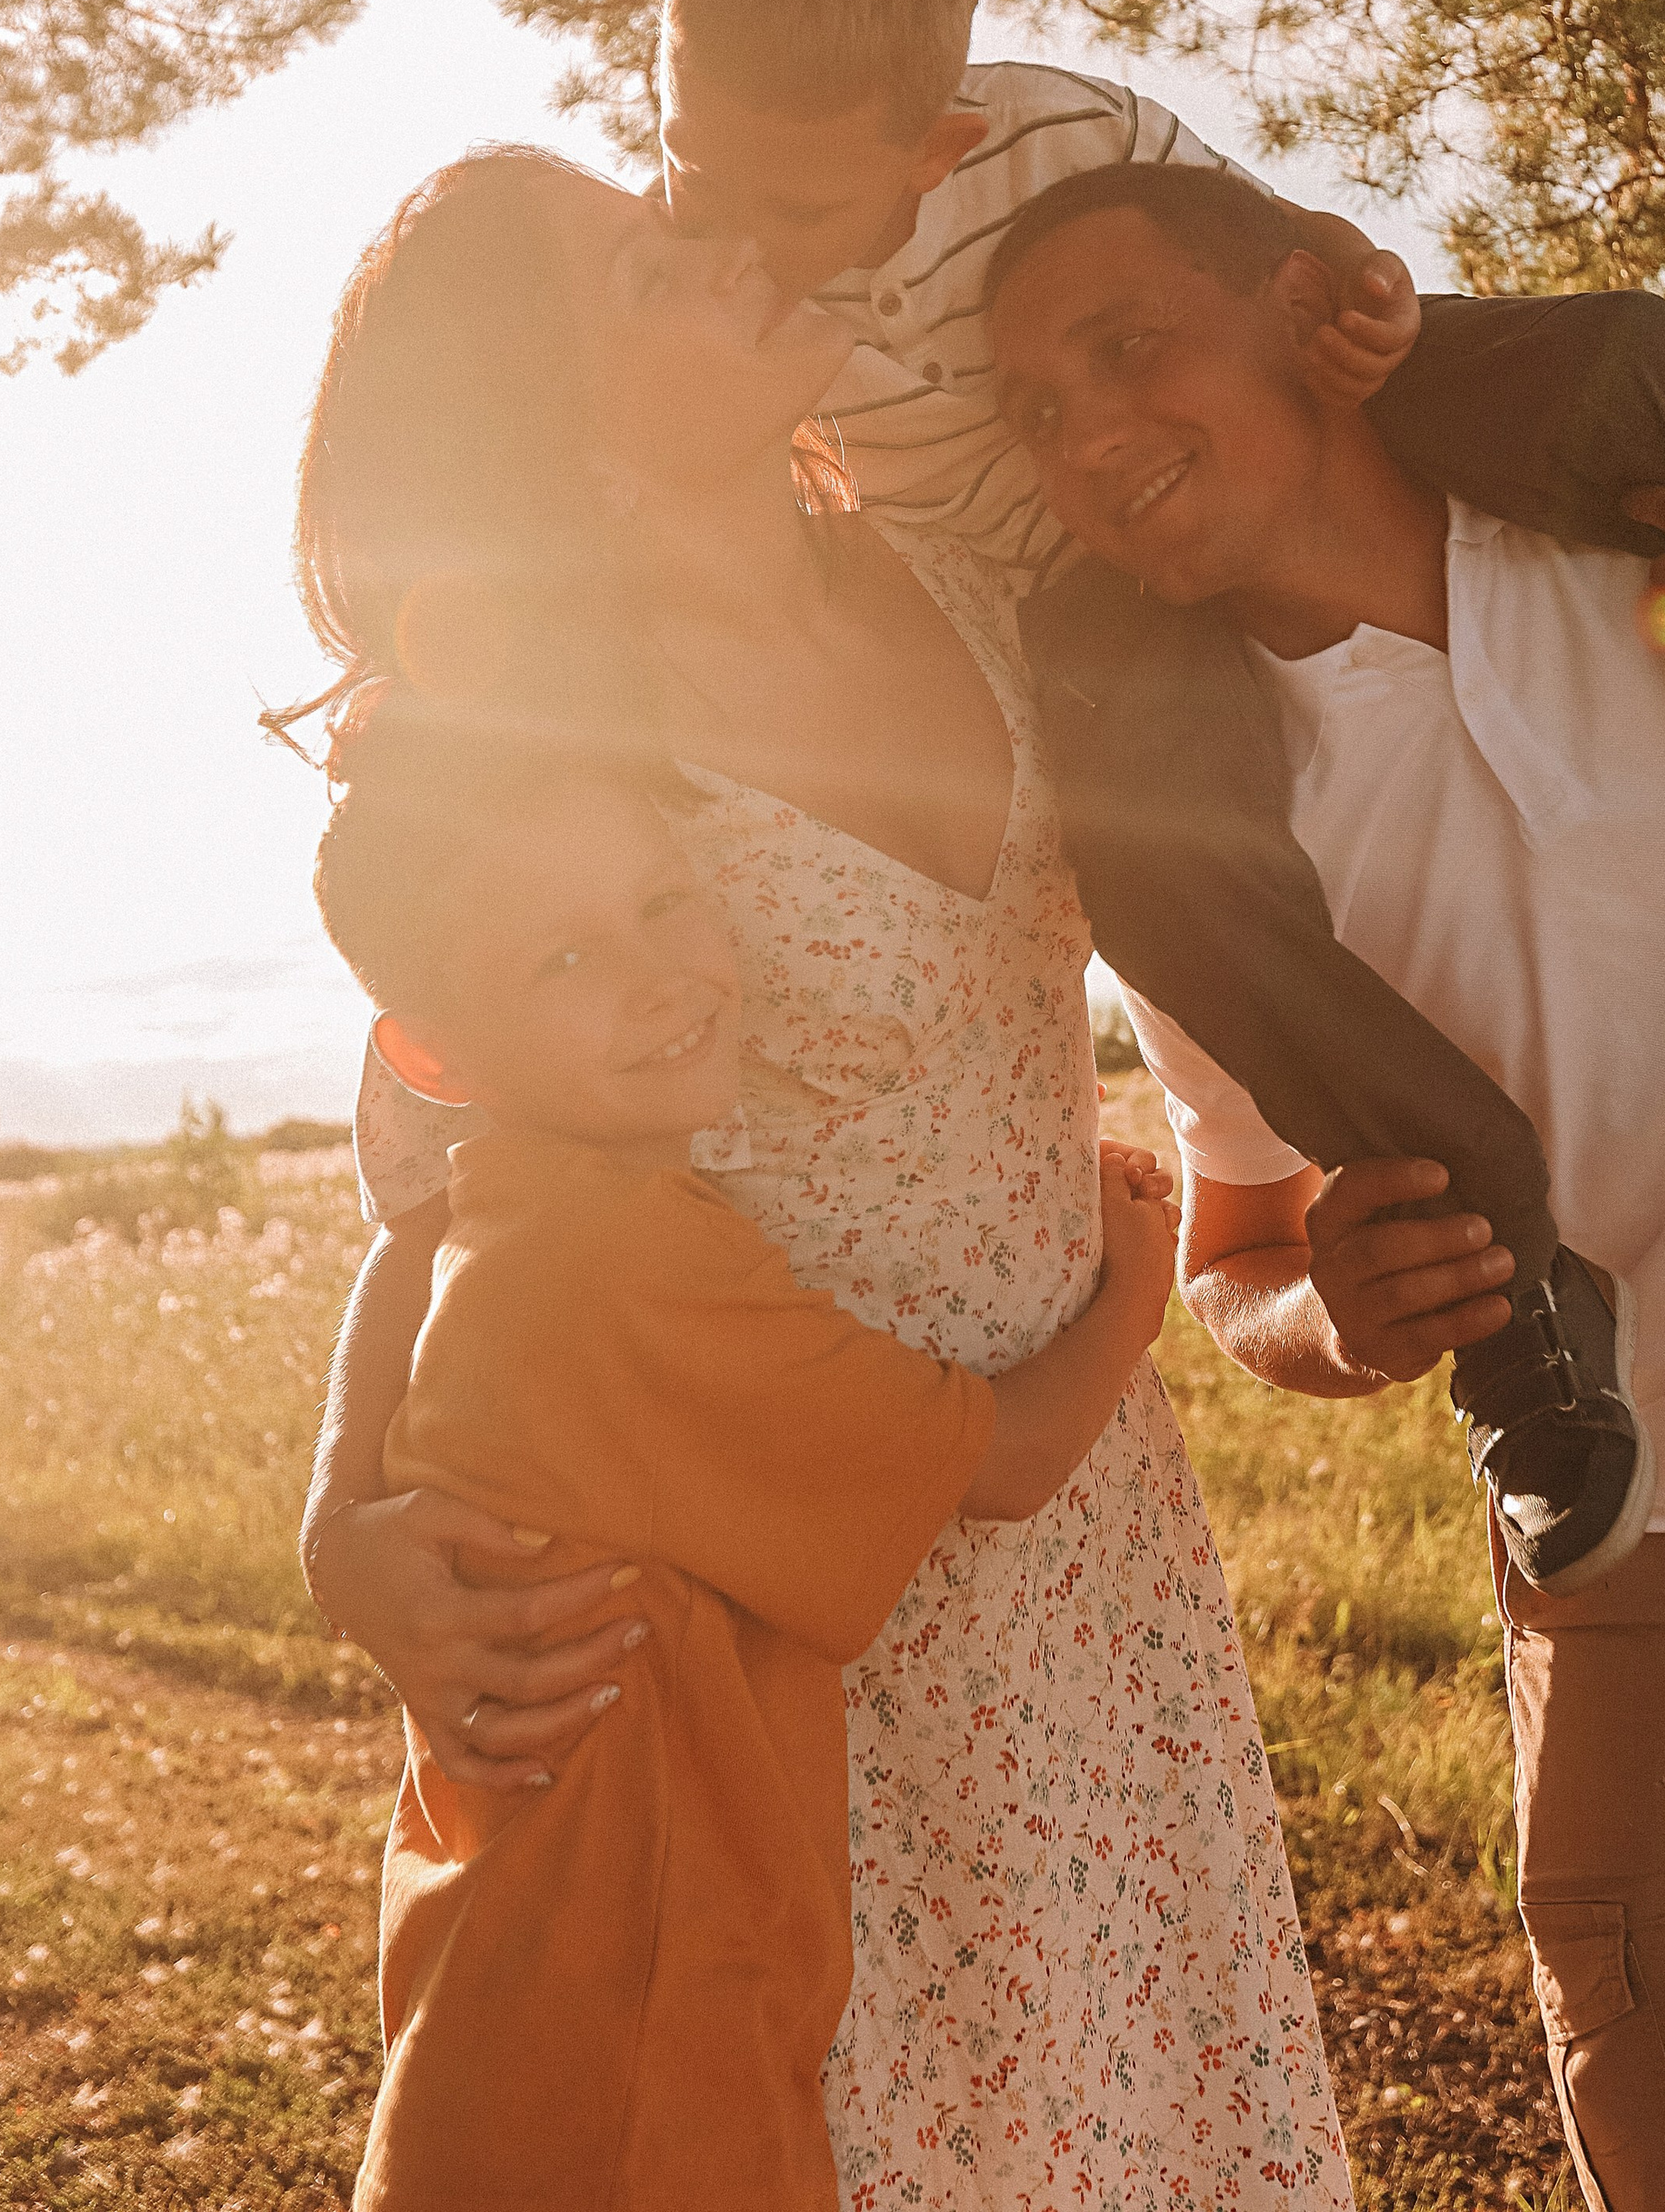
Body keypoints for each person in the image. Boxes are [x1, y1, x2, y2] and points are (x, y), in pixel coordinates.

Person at [653, 0, 1665, 1592]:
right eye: (685, 171)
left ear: (938, 139)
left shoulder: (1067, 136)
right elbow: (1242, 1247)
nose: (730, 234)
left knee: (1626, 353)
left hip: (1347, 412)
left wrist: (1366, 302)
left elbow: (1276, 253)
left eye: (790, 209)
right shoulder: (731, 278)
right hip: (1102, 621)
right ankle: (1521, 1315)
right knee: (1150, 849)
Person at [982, 159, 1665, 2212]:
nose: (1083, 437)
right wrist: (1329, 1307)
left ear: (1312, 312)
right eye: (1031, 414)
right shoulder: (1193, 829)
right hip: (1657, 1603)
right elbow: (1238, 1254)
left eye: (1125, 351)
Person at [291, 150, 1357, 2210]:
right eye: (642, 271)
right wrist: (349, 1524)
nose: (724, 238)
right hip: (764, 1585)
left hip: (1079, 1546)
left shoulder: (970, 576)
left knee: (1144, 2109)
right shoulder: (541, 739)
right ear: (564, 423)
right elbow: (429, 1199)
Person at [309, 694, 1177, 2210]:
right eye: (565, 957)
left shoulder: (519, 1225)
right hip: (637, 2051)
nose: (660, 978)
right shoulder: (618, 1269)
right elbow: (1010, 1460)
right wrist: (1139, 1270)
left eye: (663, 901)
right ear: (431, 1053)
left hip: (540, 2003)